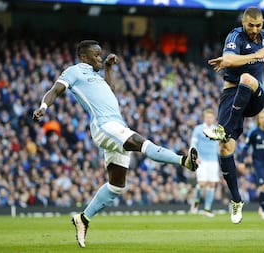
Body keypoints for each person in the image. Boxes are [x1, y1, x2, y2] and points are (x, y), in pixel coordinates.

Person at [32, 40, 198, 248]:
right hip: (103, 127)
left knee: (116, 186)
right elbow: (55, 90)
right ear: (83, 57)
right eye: (96, 55)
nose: (100, 58)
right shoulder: (74, 72)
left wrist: (108, 68)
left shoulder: (96, 76)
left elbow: (110, 90)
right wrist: (43, 107)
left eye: (101, 55)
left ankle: (83, 218)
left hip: (116, 126)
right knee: (139, 142)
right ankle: (184, 160)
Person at [203, 6, 264, 224]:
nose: (255, 29)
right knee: (225, 148)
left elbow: (235, 61)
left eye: (258, 24)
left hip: (255, 95)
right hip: (231, 95)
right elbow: (229, 60)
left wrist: (244, 58)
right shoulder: (235, 36)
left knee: (247, 79)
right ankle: (236, 200)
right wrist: (254, 56)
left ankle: (224, 128)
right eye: (250, 25)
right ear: (243, 22)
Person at [189, 108, 220, 217]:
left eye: (211, 117)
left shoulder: (217, 130)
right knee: (202, 183)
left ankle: (207, 209)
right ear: (204, 118)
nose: (209, 119)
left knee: (212, 184)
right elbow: (193, 144)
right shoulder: (198, 129)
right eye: (207, 117)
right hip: (201, 160)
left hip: (213, 160)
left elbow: (220, 145)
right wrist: (195, 156)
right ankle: (196, 203)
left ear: (214, 118)